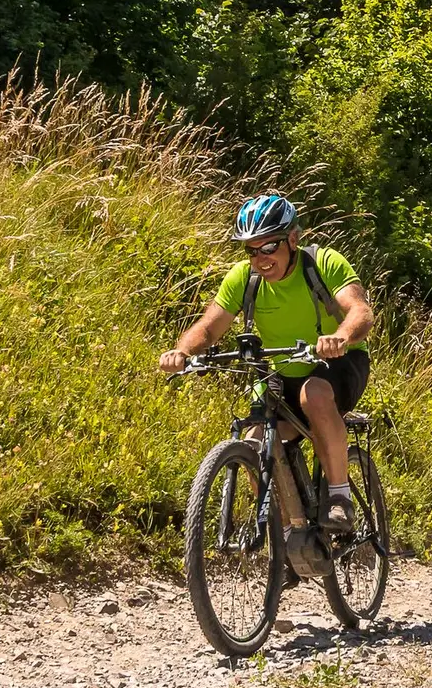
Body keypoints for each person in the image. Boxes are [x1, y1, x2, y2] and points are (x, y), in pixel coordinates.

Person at [158, 194, 376, 572]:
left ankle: (340, 495)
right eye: (251, 250)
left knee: (314, 394)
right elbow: (210, 327)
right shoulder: (245, 279)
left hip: (336, 364)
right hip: (278, 372)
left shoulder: (322, 263)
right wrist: (181, 352)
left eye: (269, 246)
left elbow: (360, 311)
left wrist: (339, 337)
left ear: (292, 238)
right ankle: (286, 530)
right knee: (255, 439)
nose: (261, 258)